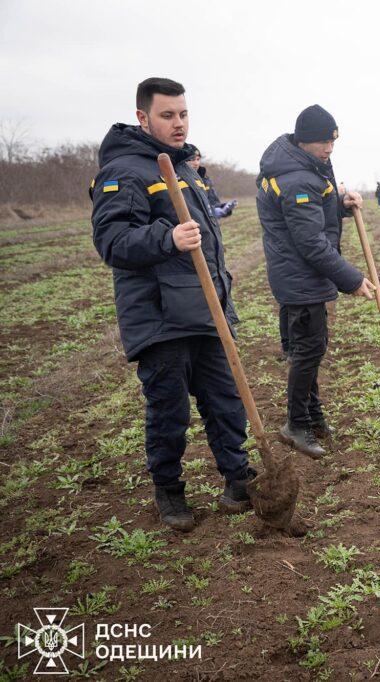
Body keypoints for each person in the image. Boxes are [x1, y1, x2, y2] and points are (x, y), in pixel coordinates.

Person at [90, 77, 254, 532]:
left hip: (206, 309)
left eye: (183, 114)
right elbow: (112, 241)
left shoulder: (184, 169)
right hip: (161, 317)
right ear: (143, 117)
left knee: (225, 400)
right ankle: (170, 491)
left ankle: (238, 479)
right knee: (169, 412)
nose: (179, 123)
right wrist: (168, 237)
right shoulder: (124, 171)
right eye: (167, 115)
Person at [256, 104, 375, 459]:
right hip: (301, 278)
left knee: (307, 350)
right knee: (308, 352)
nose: (329, 149)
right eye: (324, 142)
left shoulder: (301, 167)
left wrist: (339, 202)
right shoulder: (296, 179)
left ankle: (313, 415)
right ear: (305, 141)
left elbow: (311, 217)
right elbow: (311, 242)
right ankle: (296, 424)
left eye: (333, 142)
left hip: (295, 277)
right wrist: (351, 279)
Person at [186, 149, 238, 219]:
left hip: (210, 225)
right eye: (192, 159)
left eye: (198, 159)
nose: (196, 163)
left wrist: (223, 208)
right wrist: (213, 212)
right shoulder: (179, 180)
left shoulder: (205, 179)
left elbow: (213, 202)